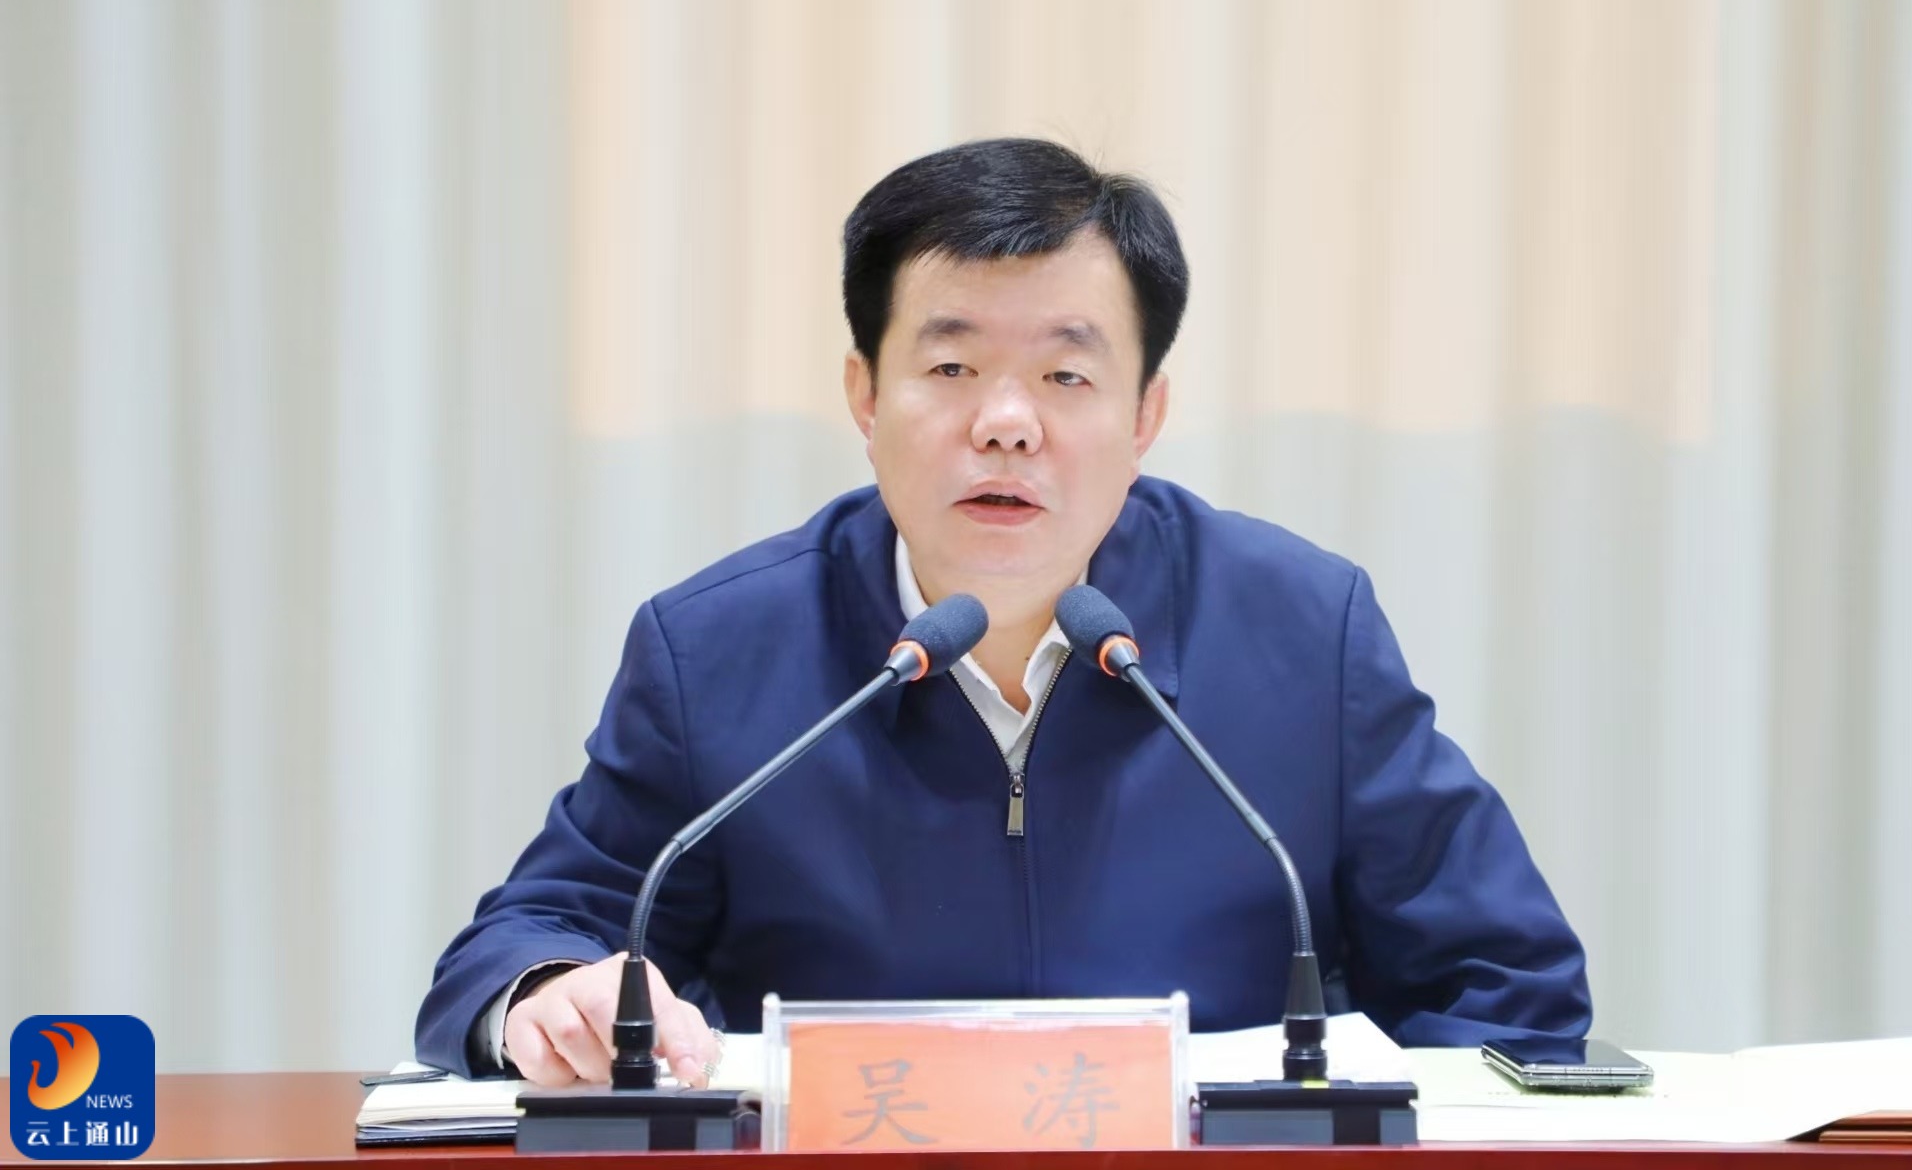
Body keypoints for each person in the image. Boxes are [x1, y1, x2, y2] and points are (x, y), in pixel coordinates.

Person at [415, 138, 1591, 1085]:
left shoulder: (1300, 631)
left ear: (1146, 414)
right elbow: (533, 935)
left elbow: (1506, 986)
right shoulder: (719, 651)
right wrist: (548, 995)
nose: (1007, 423)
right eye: (952, 368)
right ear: (865, 395)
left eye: (1068, 375)